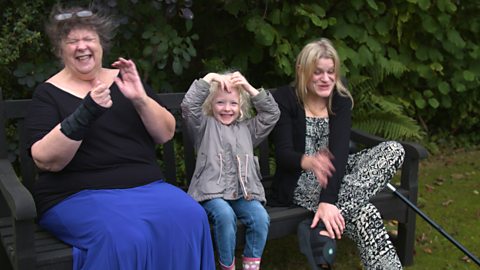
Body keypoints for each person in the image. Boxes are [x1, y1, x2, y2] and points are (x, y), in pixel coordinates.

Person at [24, 4, 215, 270]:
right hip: (75, 196)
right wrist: (86, 112)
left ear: (101, 44)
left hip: (146, 188)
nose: (82, 46)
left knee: (191, 217)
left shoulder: (125, 81)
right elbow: (46, 160)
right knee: (123, 239)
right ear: (60, 50)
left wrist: (140, 99)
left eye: (89, 38)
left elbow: (166, 133)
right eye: (72, 41)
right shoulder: (49, 93)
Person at [270, 38, 406, 270]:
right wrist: (309, 161)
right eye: (318, 72)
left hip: (337, 175)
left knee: (395, 149)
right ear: (302, 71)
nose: (326, 78)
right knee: (366, 212)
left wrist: (328, 201)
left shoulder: (340, 101)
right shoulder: (284, 99)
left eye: (331, 72)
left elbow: (340, 154)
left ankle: (325, 215)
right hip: (299, 179)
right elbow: (283, 155)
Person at [181, 71, 280, 270]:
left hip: (242, 193)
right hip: (211, 194)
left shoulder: (248, 129)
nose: (227, 108)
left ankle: (251, 266)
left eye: (233, 103)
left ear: (241, 106)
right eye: (220, 103)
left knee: (260, 217)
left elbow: (272, 114)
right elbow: (188, 106)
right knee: (225, 216)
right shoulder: (203, 126)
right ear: (210, 105)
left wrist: (248, 87)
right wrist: (209, 77)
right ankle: (228, 266)